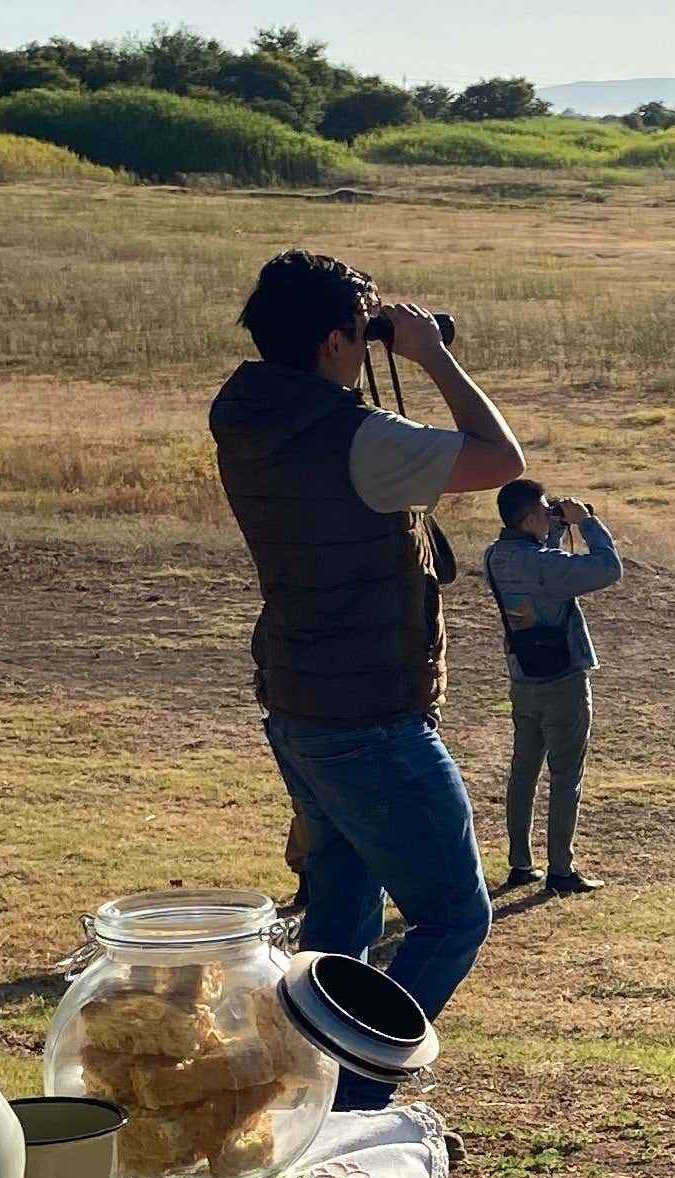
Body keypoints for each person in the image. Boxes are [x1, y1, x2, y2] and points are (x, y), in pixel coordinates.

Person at [209, 250, 522, 1111]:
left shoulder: (245, 411)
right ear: (339, 338)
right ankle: (346, 1104)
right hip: (371, 715)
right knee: (454, 917)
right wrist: (430, 355)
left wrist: (377, 340)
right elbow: (501, 458)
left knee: (339, 930)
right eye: (365, 325)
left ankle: (293, 1098)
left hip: (299, 698)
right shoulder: (358, 440)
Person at [482, 481, 620, 894]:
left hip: (523, 678)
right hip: (562, 681)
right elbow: (607, 569)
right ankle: (561, 869)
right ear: (528, 519)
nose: (550, 515)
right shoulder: (543, 563)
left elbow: (541, 567)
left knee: (523, 771)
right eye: (544, 511)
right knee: (565, 775)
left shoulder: (494, 557)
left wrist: (555, 528)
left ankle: (520, 863)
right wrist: (587, 523)